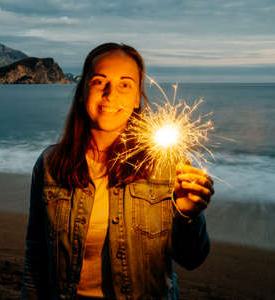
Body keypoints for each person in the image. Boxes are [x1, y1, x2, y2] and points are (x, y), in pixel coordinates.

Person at [21, 43, 214, 300]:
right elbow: (36, 255)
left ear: (137, 98)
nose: (111, 94)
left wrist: (188, 215)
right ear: (82, 91)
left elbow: (191, 259)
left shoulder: (167, 165)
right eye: (100, 81)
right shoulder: (49, 165)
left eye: (125, 84)